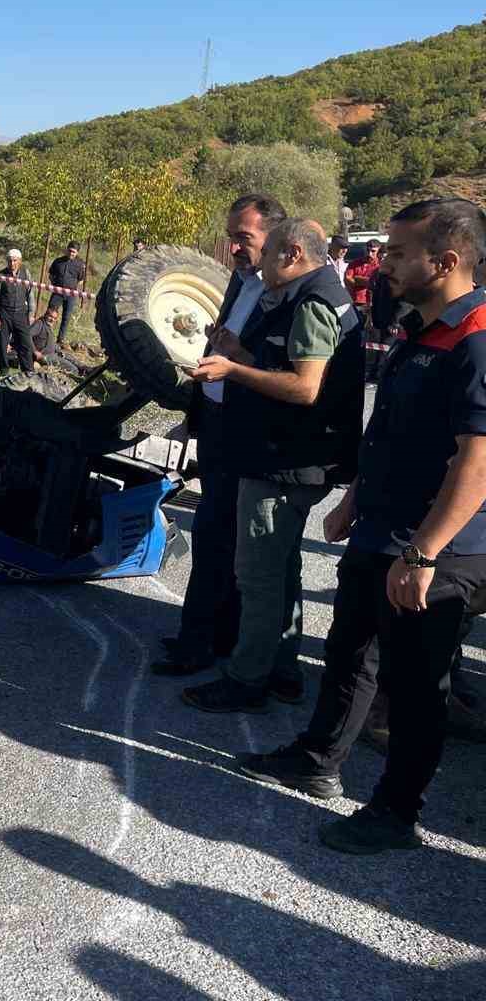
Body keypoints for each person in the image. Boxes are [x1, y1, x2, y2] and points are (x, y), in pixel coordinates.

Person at [238, 197, 486, 853]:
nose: (386, 263)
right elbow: (390, 425)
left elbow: (478, 460)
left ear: (448, 260)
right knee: (350, 650)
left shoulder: (477, 337)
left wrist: (427, 552)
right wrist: (354, 501)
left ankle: (397, 812)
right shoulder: (418, 326)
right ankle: (317, 760)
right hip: (383, 527)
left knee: (413, 683)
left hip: (437, 545)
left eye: (402, 253)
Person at [181, 218, 362, 711]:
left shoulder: (313, 302)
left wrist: (234, 369)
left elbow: (306, 387)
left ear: (293, 253)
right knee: (283, 568)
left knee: (258, 575)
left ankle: (246, 680)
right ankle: (282, 669)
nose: (257, 262)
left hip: (284, 459)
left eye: (267, 253)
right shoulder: (309, 293)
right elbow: (287, 364)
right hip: (289, 456)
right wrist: (241, 351)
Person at [152, 193, 288, 677]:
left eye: (242, 238)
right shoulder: (242, 279)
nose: (233, 248)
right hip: (214, 424)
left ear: (274, 238)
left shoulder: (285, 292)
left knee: (218, 538)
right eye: (231, 237)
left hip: (244, 434)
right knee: (218, 536)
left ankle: (200, 644)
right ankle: (213, 636)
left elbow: (282, 372)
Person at [0, 248, 36, 374]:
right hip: (4, 313)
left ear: (20, 261)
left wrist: (31, 313)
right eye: (10, 261)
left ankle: (28, 370)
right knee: (2, 343)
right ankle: (4, 370)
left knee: (25, 343)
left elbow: (30, 294)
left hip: (21, 313)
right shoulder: (1, 275)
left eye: (15, 261)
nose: (12, 264)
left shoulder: (25, 273)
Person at [46, 242, 87, 345]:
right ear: (66, 249)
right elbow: (51, 275)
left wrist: (73, 288)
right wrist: (55, 285)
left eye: (73, 252)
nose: (71, 253)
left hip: (71, 295)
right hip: (57, 293)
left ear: (77, 253)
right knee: (50, 314)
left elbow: (81, 280)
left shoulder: (80, 264)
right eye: (70, 250)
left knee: (66, 317)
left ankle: (60, 340)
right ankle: (45, 336)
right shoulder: (58, 261)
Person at [345, 240, 382, 311]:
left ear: (378, 251)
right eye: (367, 250)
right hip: (356, 301)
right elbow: (348, 280)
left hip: (374, 302)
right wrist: (368, 282)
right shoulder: (354, 263)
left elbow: (378, 284)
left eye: (373, 251)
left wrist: (357, 279)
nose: (369, 254)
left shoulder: (381, 265)